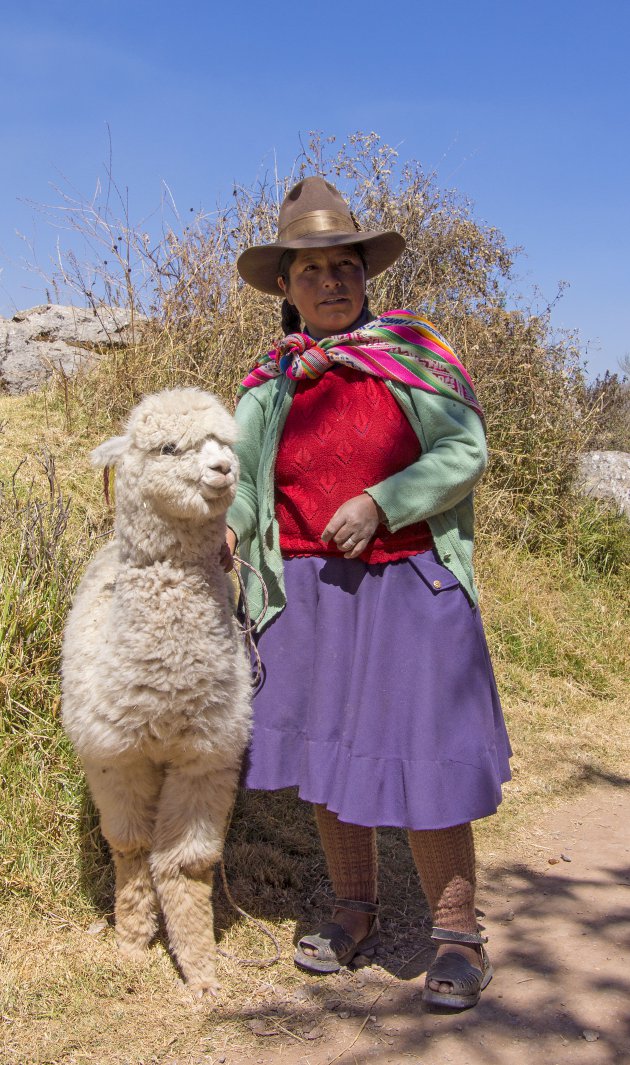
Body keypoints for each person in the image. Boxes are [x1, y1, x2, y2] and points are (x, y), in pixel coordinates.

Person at [224, 176, 511, 1011]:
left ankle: (457, 935)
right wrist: (231, 527)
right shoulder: (270, 380)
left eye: (343, 265)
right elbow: (244, 478)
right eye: (310, 271)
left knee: (424, 756)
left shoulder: (413, 352)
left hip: (410, 581)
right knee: (327, 753)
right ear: (284, 286)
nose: (330, 282)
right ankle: (355, 909)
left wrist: (383, 500)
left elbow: (465, 452)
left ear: (365, 273)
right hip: (308, 590)